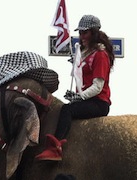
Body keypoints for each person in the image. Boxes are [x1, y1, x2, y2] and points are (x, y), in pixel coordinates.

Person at [36, 15, 114, 161]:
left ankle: (56, 148)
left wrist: (79, 96)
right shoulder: (86, 53)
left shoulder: (101, 55)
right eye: (80, 33)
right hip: (88, 100)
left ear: (94, 32)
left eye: (85, 32)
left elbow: (98, 87)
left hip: (98, 103)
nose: (82, 36)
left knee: (67, 110)